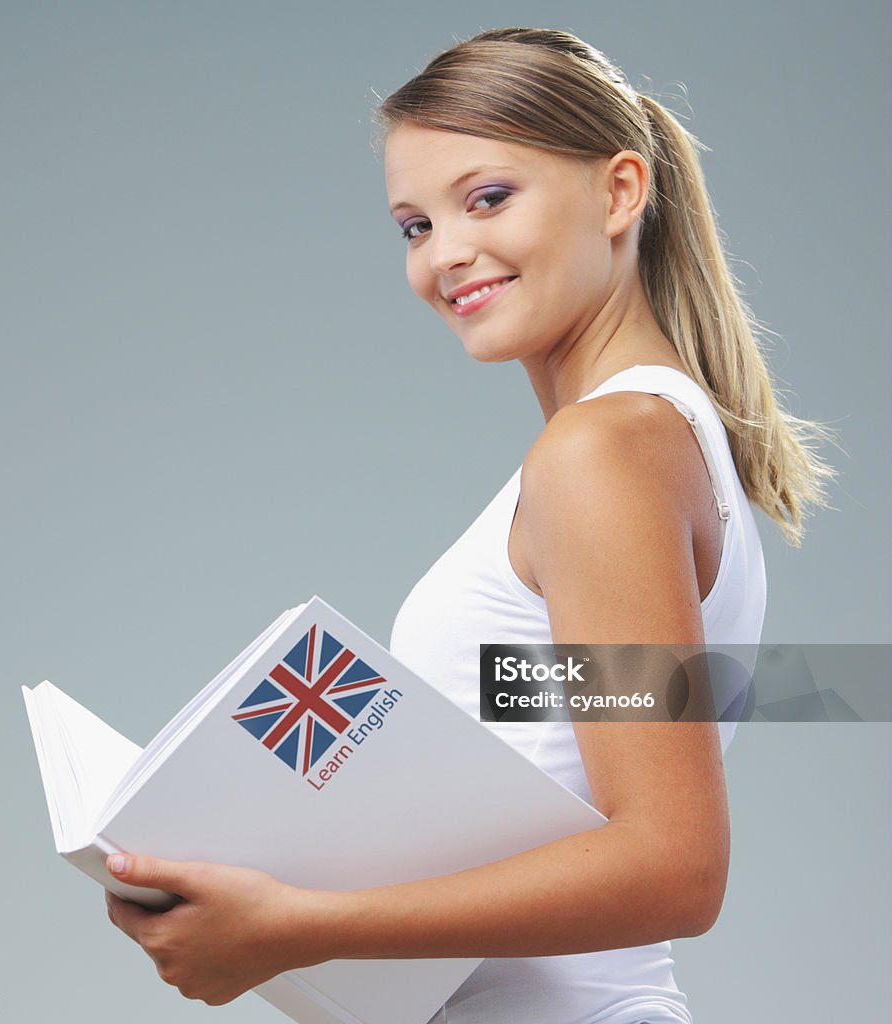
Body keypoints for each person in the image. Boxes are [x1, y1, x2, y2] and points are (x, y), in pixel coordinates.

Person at [103, 28, 833, 1023]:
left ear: (619, 192)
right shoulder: (656, 439)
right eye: (413, 224)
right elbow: (558, 777)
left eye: (487, 198)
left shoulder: (598, 453)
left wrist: (298, 923)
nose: (446, 253)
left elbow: (672, 864)